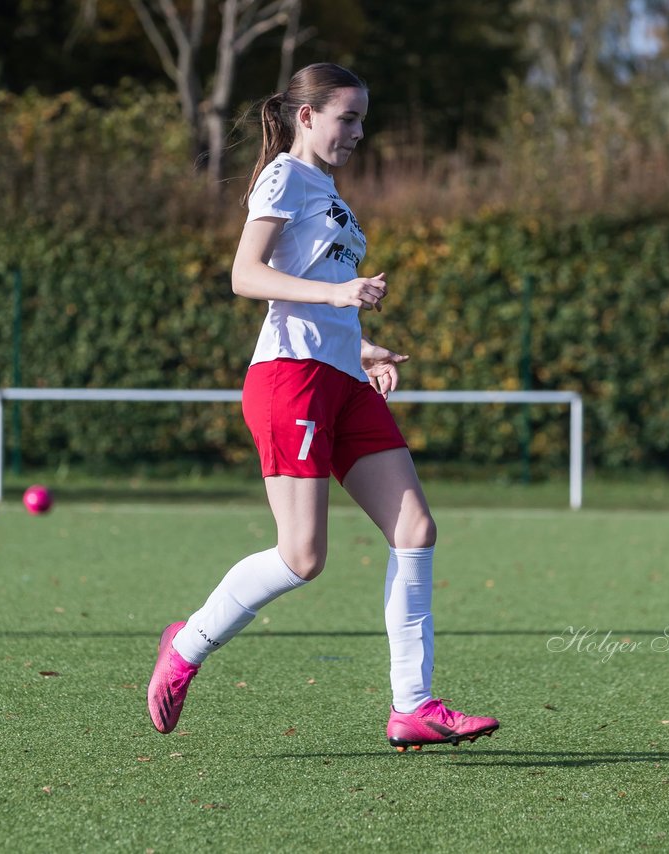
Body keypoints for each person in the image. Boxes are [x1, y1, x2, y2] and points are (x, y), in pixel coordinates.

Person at [147, 63, 498, 750]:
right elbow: (246, 276)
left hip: (340, 375)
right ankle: (187, 645)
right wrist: (338, 298)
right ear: (307, 117)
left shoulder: (329, 190)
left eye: (363, 120)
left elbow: (318, 289)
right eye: (349, 118)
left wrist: (362, 347)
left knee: (415, 529)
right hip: (290, 380)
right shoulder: (283, 175)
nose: (359, 133)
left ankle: (413, 705)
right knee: (303, 556)